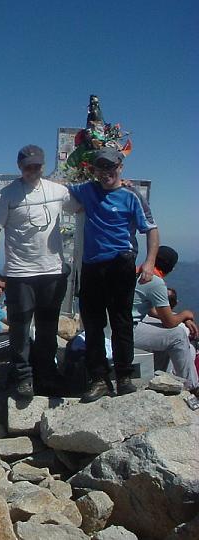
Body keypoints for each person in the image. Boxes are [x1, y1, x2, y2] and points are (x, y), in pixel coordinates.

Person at [0, 144, 77, 398]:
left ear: (43, 166)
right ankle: (23, 377)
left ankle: (46, 375)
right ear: (20, 167)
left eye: (36, 166)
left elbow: (83, 205)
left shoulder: (58, 192)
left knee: (47, 329)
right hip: (19, 274)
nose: (32, 171)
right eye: (28, 167)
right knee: (20, 329)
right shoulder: (8, 195)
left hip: (52, 272)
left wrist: (115, 187)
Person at [68, 147, 159, 402]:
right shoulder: (87, 190)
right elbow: (59, 187)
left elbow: (151, 229)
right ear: (94, 170)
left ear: (120, 167)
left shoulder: (132, 196)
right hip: (92, 267)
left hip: (121, 264)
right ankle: (99, 379)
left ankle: (123, 377)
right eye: (100, 168)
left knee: (121, 322)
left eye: (110, 167)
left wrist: (150, 263)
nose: (105, 172)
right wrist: (32, 174)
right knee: (93, 324)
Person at [132, 246, 198, 394]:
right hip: (126, 331)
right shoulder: (154, 281)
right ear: (171, 269)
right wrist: (185, 315)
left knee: (169, 331)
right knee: (178, 335)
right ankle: (193, 387)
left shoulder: (135, 272)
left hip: (111, 326)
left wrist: (179, 318)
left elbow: (148, 310)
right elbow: (169, 322)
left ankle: (159, 374)